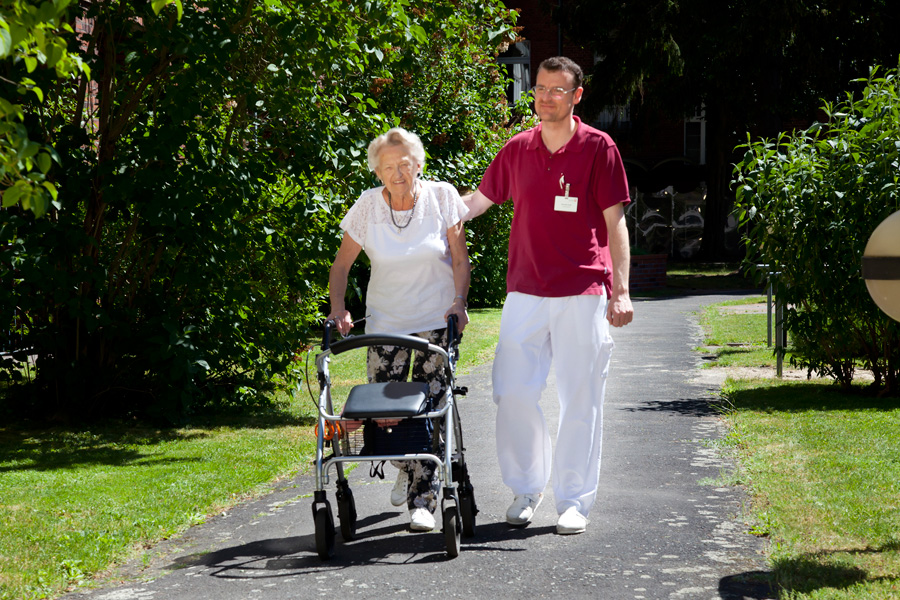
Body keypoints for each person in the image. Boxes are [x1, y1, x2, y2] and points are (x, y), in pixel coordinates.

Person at [462, 56, 634, 535]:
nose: (545, 97)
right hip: (525, 291)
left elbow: (615, 223)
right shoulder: (517, 149)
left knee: (581, 396)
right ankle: (526, 488)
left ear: (577, 96)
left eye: (557, 90)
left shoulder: (598, 148)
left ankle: (573, 500)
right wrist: (433, 208)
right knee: (512, 390)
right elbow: (478, 201)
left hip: (582, 290)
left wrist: (620, 291)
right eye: (539, 88)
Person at [327, 127, 470, 532]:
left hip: (435, 325)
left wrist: (459, 302)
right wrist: (339, 309)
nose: (397, 172)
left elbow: (460, 259)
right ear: (377, 172)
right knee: (386, 415)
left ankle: (422, 503)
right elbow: (341, 266)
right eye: (388, 166)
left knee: (429, 412)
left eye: (404, 163)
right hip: (386, 326)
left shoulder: (442, 197)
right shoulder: (368, 207)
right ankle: (406, 467)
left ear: (418, 164)